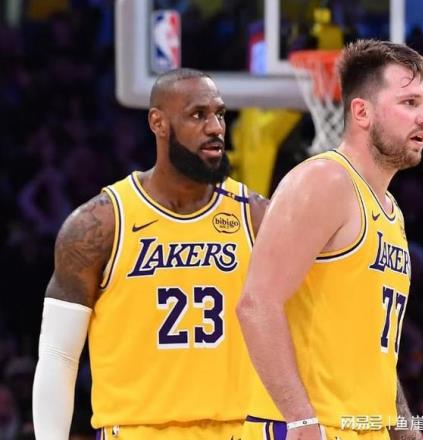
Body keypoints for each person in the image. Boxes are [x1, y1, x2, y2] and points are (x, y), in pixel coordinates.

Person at [32, 68, 268, 440]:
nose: (215, 128)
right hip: (134, 429)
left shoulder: (255, 215)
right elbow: (59, 355)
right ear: (158, 122)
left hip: (236, 429)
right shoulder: (99, 224)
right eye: (198, 114)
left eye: (220, 114)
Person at [237, 39, 423, 440]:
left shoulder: (391, 211)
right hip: (311, 427)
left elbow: (373, 352)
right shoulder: (324, 181)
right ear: (361, 111)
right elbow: (256, 304)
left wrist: (404, 429)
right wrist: (301, 420)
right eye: (410, 103)